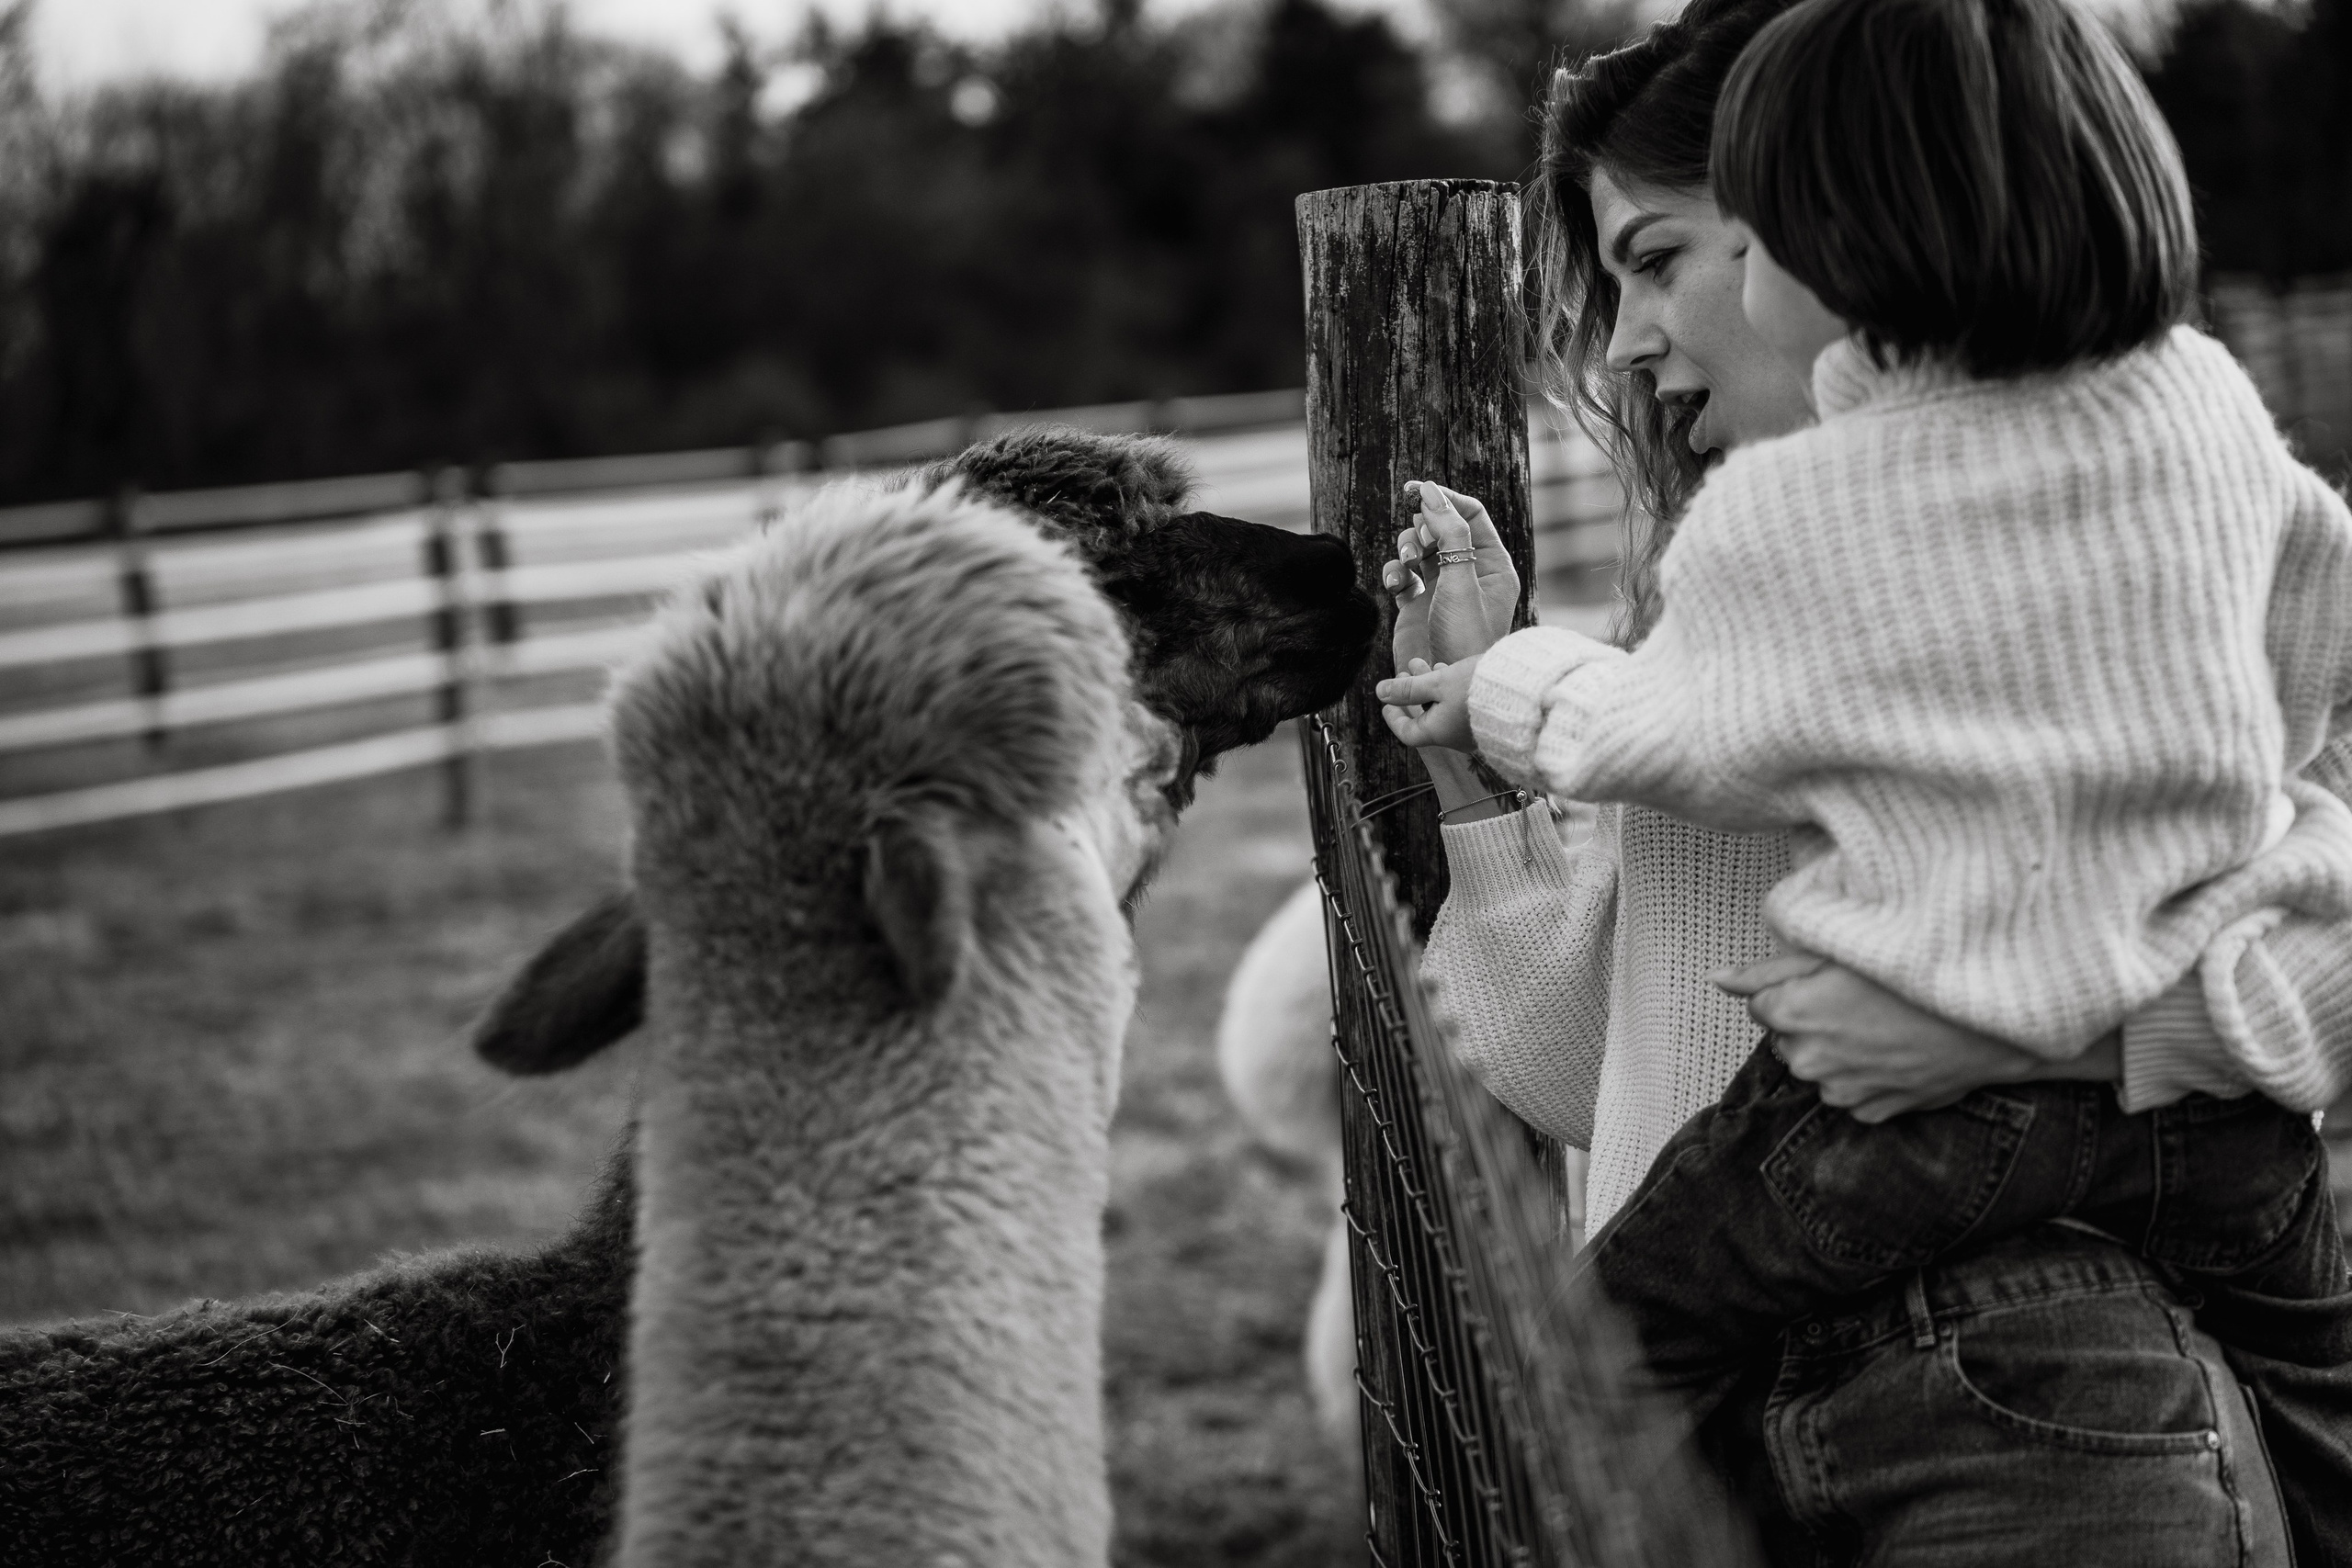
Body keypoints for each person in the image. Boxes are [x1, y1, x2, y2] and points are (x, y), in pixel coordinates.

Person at [1373, 0, 2352, 1561]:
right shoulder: (2189, 469)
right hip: (1814, 1413)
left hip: (2017, 1389)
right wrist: (1477, 785)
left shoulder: (1819, 561)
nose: (1627, 341)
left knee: (1590, 1379)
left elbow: (2331, 914)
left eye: (1663, 257)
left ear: (1824, 225)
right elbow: (1606, 1087)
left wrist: (2008, 1028)